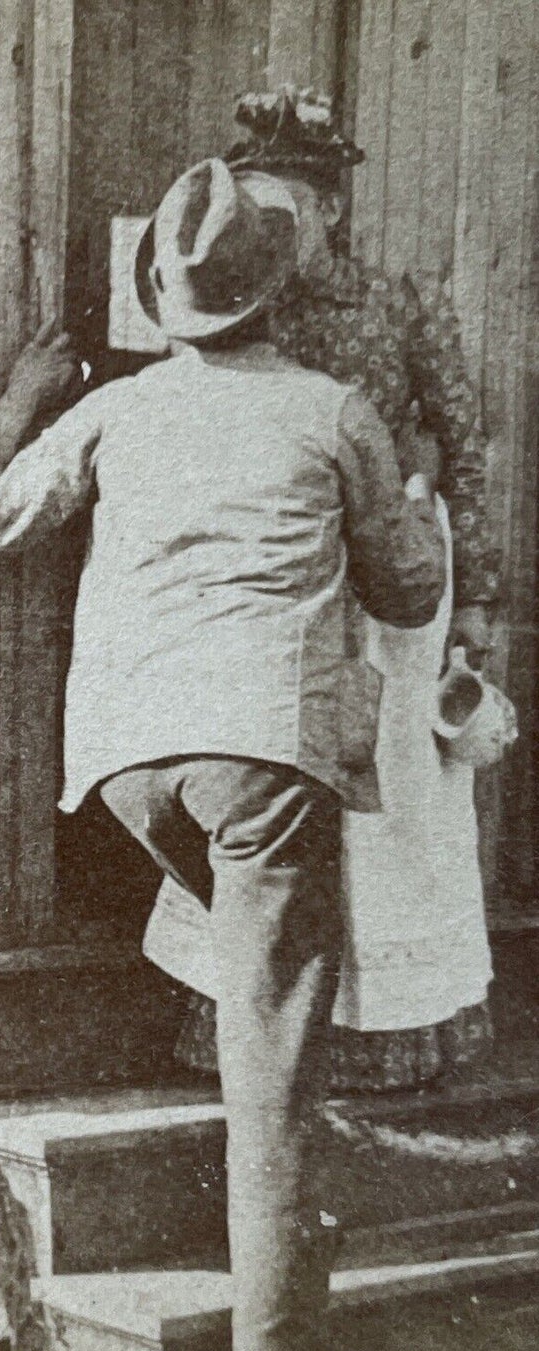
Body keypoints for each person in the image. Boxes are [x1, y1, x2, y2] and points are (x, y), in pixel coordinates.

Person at [0, 158, 444, 1351]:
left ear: (167, 298)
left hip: (125, 770)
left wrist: (17, 400)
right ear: (276, 295)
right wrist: (424, 517)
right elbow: (399, 592)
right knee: (270, 1094)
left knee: (248, 989)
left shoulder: (116, 413)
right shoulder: (334, 412)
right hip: (262, 761)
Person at [144, 88, 499, 1093]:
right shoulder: (239, 308)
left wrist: (471, 594)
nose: (273, 228)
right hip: (278, 574)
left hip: (390, 583)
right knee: (273, 776)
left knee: (386, 793)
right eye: (254, 208)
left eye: (289, 208)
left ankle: (387, 1023)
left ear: (331, 211)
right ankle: (251, 1010)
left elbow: (463, 451)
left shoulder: (399, 304)